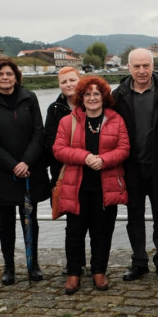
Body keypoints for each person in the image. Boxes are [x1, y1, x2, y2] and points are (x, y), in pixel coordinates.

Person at [114, 49, 158, 282]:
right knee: (134, 218)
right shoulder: (118, 96)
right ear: (129, 68)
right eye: (137, 66)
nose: (142, 70)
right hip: (131, 168)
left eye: (146, 65)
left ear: (153, 66)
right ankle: (138, 262)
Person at [53, 76, 129, 294]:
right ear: (81, 98)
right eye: (88, 94)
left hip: (106, 186)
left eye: (97, 93)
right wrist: (85, 156)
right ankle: (73, 274)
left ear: (104, 97)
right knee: (75, 232)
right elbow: (58, 149)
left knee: (102, 231)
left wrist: (104, 160)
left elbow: (124, 148)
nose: (92, 98)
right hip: (76, 187)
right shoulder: (68, 121)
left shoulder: (116, 120)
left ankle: (99, 271)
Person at [0, 57, 49, 285]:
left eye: (9, 74)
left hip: (30, 170)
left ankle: (33, 263)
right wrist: (12, 164)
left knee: (30, 219)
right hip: (2, 172)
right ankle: (8, 267)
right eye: (1, 74)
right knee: (5, 221)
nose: (5, 78)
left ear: (16, 76)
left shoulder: (29, 97)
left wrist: (26, 161)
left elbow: (38, 132)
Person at [44, 66, 82, 276]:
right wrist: (71, 154)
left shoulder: (91, 102)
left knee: (94, 220)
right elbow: (50, 141)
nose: (68, 85)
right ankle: (74, 264)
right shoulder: (55, 109)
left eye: (72, 80)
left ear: (80, 80)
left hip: (90, 170)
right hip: (64, 171)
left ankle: (96, 265)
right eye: (64, 82)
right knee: (72, 221)